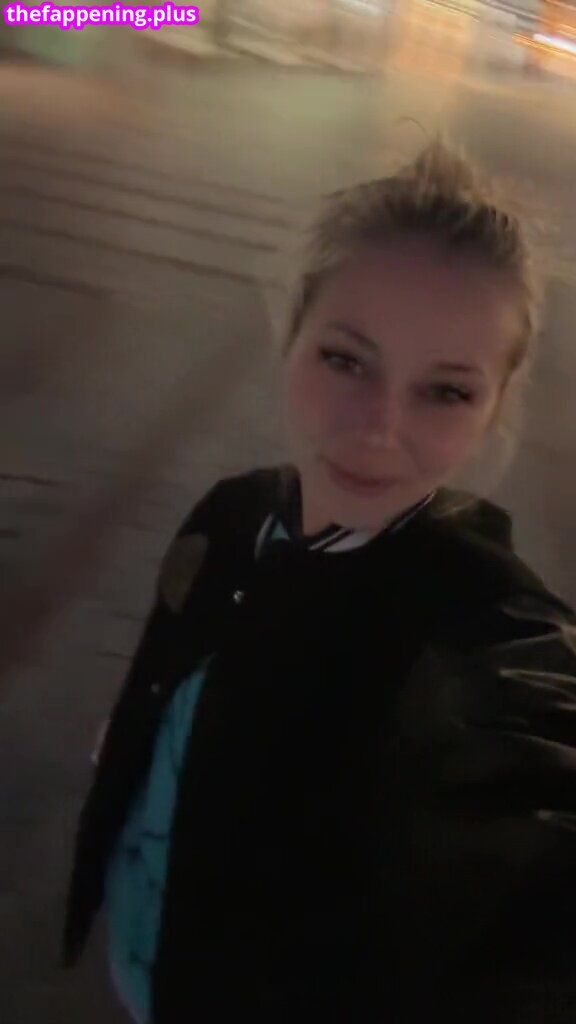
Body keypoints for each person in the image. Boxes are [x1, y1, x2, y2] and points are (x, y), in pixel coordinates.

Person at [63, 140, 576, 1023]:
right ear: (291, 335)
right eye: (346, 360)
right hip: (146, 956)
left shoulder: (479, 640)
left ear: (497, 404)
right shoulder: (233, 514)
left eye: (446, 392)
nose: (378, 427)